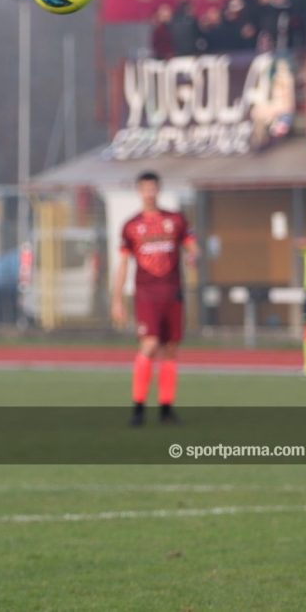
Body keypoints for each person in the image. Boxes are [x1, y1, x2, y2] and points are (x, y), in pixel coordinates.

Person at [111, 171, 198, 427]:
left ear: (158, 190)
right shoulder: (131, 225)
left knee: (170, 350)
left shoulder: (176, 220)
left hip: (173, 293)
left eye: (153, 188)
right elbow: (123, 264)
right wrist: (117, 299)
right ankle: (138, 408)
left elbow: (193, 247)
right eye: (144, 189)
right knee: (148, 346)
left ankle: (166, 409)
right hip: (146, 295)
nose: (149, 193)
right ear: (139, 191)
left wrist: (194, 256)